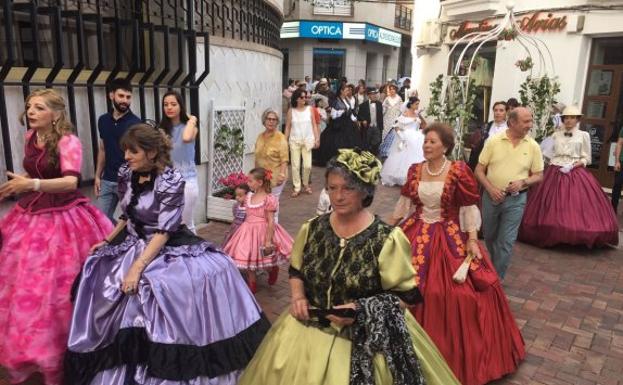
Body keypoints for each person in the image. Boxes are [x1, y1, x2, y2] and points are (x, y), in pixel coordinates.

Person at [64, 124, 269, 385]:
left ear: (151, 153)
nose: (126, 156)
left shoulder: (170, 180)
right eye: (125, 150)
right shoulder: (127, 173)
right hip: (134, 240)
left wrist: (137, 268)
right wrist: (106, 240)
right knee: (97, 270)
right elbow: (127, 215)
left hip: (164, 242)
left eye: (133, 151)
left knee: (168, 284)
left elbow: (163, 230)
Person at [238, 149, 460, 385]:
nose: (338, 196)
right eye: (332, 188)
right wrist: (297, 296)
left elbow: (407, 296)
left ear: (365, 191)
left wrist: (361, 309)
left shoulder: (386, 238)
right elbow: (296, 270)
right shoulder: (312, 229)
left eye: (347, 188)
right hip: (303, 335)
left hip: (365, 340)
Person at [390, 123, 525, 385]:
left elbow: (467, 207)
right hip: (416, 230)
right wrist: (386, 229)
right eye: (425, 141)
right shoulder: (415, 170)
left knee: (455, 292)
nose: (426, 146)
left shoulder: (458, 171)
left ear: (445, 146)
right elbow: (404, 205)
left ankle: (450, 354)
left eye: (432, 142)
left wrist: (473, 239)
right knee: (399, 282)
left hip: (448, 233)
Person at [0, 89, 113, 385]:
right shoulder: (29, 138)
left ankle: (64, 347)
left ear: (56, 114)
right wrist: (20, 188)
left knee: (58, 287)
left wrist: (31, 183)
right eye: (29, 107)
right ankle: (31, 348)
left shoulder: (69, 141)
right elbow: (32, 179)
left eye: (39, 107)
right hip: (30, 216)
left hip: (64, 220)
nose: (31, 112)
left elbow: (70, 181)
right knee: (26, 285)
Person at [519, 106, 619, 247]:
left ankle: (573, 233)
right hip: (554, 170)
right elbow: (548, 154)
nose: (569, 120)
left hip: (574, 171)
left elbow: (587, 158)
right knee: (549, 203)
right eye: (566, 117)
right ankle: (549, 230)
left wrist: (573, 166)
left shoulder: (583, 135)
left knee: (574, 205)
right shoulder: (555, 134)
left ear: (578, 119)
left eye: (572, 117)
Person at [475, 107, 544, 279]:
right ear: (512, 122)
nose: (530, 125)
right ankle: (494, 266)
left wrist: (523, 182)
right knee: (490, 237)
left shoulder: (533, 146)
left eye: (531, 120)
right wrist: (490, 189)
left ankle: (495, 280)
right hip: (491, 198)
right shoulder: (494, 141)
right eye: (526, 121)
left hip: (516, 200)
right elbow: (478, 170)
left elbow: (539, 176)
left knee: (506, 242)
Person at [223, 167, 293, 293]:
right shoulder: (249, 196)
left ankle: (273, 270)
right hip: (247, 231)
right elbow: (242, 212)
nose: (247, 183)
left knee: (265, 258)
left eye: (250, 181)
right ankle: (252, 283)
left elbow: (271, 221)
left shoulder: (269, 198)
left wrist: (268, 240)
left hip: (262, 231)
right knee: (249, 258)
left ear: (260, 182)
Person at [95, 78, 142, 222]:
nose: (125, 100)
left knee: (131, 221)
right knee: (101, 220)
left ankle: (122, 240)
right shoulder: (103, 120)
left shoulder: (135, 123)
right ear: (111, 95)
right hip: (107, 180)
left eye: (128, 97)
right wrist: (98, 176)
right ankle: (117, 240)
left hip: (127, 181)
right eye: (121, 96)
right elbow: (103, 149)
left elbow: (140, 155)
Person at [159, 91, 199, 232]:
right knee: (168, 224)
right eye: (165, 105)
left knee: (186, 224)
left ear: (181, 106)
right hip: (167, 181)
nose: (169, 107)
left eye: (173, 104)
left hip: (187, 182)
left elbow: (187, 137)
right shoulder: (162, 130)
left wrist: (192, 119)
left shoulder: (191, 127)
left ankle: (195, 252)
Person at [380, 96, 426, 186]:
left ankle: (416, 176)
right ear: (411, 104)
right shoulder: (404, 114)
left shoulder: (417, 114)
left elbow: (424, 124)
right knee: (403, 157)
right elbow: (396, 126)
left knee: (417, 156)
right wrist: (402, 136)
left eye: (418, 104)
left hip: (417, 136)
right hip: (407, 136)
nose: (417, 106)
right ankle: (403, 176)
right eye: (416, 104)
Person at [315, 83, 364, 166]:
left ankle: (347, 159)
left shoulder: (347, 100)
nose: (348, 92)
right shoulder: (336, 101)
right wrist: (341, 112)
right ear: (341, 91)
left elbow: (350, 112)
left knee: (351, 142)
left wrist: (355, 120)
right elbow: (333, 115)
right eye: (346, 90)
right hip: (339, 125)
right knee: (337, 143)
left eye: (348, 90)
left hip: (348, 124)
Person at [285, 88, 320, 197]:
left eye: (305, 97)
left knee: (307, 165)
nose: (304, 99)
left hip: (308, 140)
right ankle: (297, 187)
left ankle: (305, 183)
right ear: (296, 99)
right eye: (302, 97)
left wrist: (317, 138)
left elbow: (314, 125)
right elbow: (287, 127)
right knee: (295, 165)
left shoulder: (310, 109)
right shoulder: (291, 111)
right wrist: (284, 141)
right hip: (294, 140)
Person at [255, 108, 289, 215]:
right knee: (262, 204)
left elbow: (284, 159)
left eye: (274, 120)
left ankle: (274, 229)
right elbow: (257, 157)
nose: (271, 122)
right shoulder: (260, 137)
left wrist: (282, 175)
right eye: (269, 119)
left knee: (272, 207)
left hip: (275, 177)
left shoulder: (280, 138)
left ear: (277, 122)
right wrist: (255, 174)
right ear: (264, 121)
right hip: (262, 177)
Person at [468, 101, 508, 171]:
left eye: (501, 110)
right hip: (483, 162)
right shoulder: (486, 127)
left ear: (506, 112)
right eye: (495, 110)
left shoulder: (509, 129)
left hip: (500, 164)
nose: (498, 113)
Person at [379, 83, 403, 159]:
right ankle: (383, 151)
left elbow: (401, 109)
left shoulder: (399, 98)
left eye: (393, 89)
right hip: (387, 118)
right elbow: (383, 109)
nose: (392, 91)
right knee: (385, 133)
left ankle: (390, 151)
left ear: (396, 90)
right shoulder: (387, 99)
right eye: (391, 89)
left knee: (393, 134)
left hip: (395, 118)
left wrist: (398, 118)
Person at [357, 88, 384, 155]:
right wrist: (363, 120)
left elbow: (380, 116)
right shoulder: (363, 105)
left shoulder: (379, 104)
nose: (374, 95)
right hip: (367, 127)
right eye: (372, 94)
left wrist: (381, 127)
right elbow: (359, 115)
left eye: (375, 94)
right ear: (368, 95)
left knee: (377, 142)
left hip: (377, 127)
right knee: (366, 143)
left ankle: (374, 157)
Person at [613, 125, 623, 213]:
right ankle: (613, 209)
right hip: (622, 162)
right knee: (617, 184)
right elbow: (619, 143)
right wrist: (617, 161)